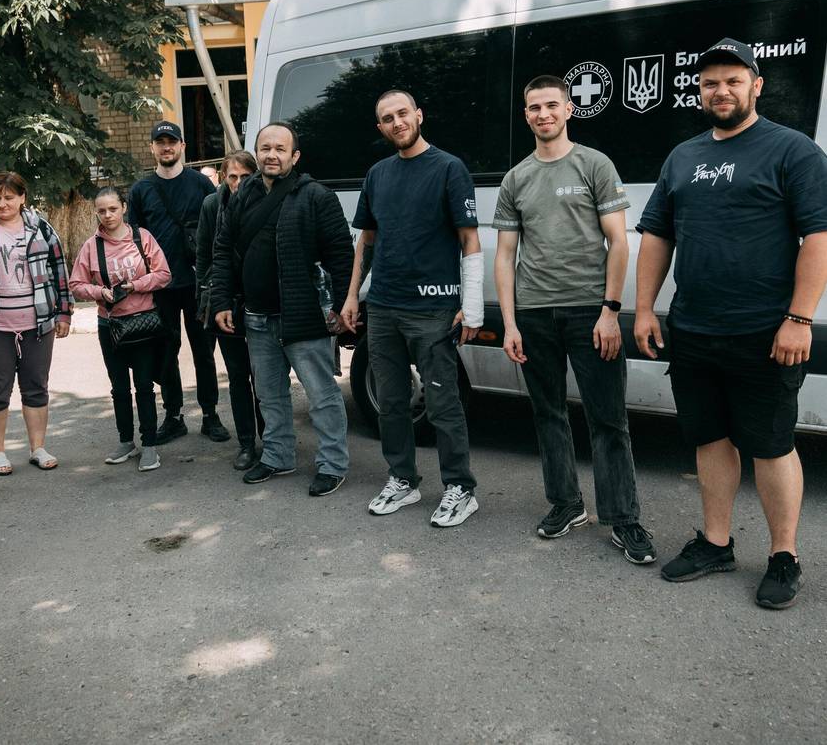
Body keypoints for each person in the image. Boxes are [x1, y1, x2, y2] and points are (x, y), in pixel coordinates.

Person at [634, 37, 827, 609]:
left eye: (733, 80)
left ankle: (784, 555)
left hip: (765, 331)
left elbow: (817, 238)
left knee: (770, 444)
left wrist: (799, 319)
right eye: (711, 82)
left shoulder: (793, 151)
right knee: (710, 438)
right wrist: (644, 308)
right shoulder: (683, 156)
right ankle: (716, 543)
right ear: (699, 90)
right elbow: (657, 237)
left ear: (756, 86)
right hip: (694, 328)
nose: (721, 90)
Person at [493, 75, 654, 563]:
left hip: (590, 312)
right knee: (548, 414)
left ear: (569, 109)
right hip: (535, 314)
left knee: (608, 419)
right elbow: (505, 256)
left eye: (552, 106)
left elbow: (619, 242)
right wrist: (511, 322)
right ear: (526, 116)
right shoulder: (516, 178)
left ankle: (624, 520)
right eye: (534, 108)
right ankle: (565, 504)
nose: (543, 114)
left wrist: (610, 311)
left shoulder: (593, 165)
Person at [341, 90, 483, 528]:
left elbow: (469, 241)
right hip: (383, 306)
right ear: (381, 128)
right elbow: (365, 240)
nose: (397, 122)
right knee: (392, 402)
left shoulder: (447, 168)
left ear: (419, 115)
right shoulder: (377, 174)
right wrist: (351, 296)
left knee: (442, 403)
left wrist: (472, 306)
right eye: (388, 118)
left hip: (433, 308)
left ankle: (460, 488)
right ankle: (403, 478)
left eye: (403, 113)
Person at [212, 123, 353, 496]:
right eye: (265, 148)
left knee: (321, 396)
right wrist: (221, 300)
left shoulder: (317, 197)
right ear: (256, 153)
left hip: (304, 318)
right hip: (257, 317)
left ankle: (333, 464)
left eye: (280, 149)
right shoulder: (242, 196)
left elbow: (342, 254)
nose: (271, 155)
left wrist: (341, 306)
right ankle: (277, 456)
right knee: (270, 395)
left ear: (295, 156)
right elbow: (223, 250)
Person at [0, 172, 71, 475]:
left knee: (36, 386)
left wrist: (63, 312)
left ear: (23, 198)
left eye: (9, 197)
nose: (2, 203)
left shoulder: (41, 228)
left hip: (38, 323)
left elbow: (59, 270)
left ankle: (38, 447)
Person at [127, 121, 228, 446]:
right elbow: (133, 239)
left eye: (172, 141)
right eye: (161, 142)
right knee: (166, 352)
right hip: (160, 287)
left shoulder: (200, 184)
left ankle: (210, 414)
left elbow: (219, 228)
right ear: (153, 148)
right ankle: (173, 416)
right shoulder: (142, 190)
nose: (166, 147)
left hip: (198, 283)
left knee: (204, 351)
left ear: (183, 146)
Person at [70, 187, 172, 471]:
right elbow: (75, 284)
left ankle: (150, 445)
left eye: (112, 209)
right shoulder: (92, 246)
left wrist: (136, 285)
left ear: (123, 207)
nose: (107, 215)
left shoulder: (142, 237)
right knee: (119, 388)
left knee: (143, 386)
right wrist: (100, 292)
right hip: (111, 325)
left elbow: (164, 274)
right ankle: (126, 441)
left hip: (143, 323)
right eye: (101, 210)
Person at [196, 151, 264, 470]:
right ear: (224, 178)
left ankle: (273, 436)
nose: (238, 183)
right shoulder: (213, 205)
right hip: (226, 300)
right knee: (238, 375)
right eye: (232, 177)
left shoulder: (265, 200)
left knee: (266, 373)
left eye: (244, 177)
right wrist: (209, 301)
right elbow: (205, 256)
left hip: (261, 299)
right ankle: (247, 444)